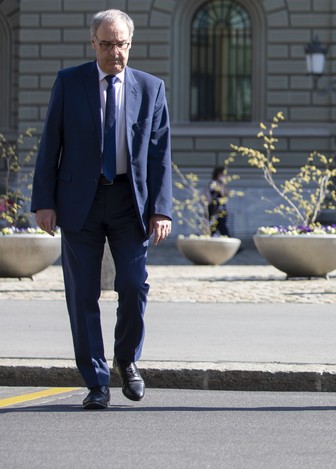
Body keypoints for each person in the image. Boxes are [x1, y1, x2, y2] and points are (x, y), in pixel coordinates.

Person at [31, 9, 172, 410]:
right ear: (93, 43)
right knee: (82, 294)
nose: (115, 52)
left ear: (131, 44)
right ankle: (96, 381)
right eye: (107, 44)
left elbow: (161, 155)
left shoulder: (150, 88)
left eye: (122, 44)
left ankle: (126, 360)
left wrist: (161, 210)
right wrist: (44, 202)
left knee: (132, 284)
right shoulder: (69, 83)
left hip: (130, 202)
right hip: (81, 203)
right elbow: (50, 145)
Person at [208, 166, 230, 236]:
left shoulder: (221, 184)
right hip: (215, 208)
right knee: (214, 226)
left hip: (221, 207)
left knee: (221, 226)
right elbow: (212, 193)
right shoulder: (214, 183)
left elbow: (225, 194)